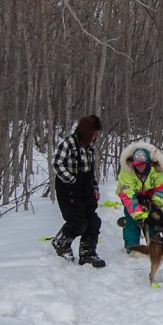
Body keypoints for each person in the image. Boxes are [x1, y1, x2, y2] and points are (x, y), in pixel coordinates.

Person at [51, 115, 106, 268]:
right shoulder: (68, 143)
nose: (96, 137)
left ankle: (88, 252)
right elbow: (57, 163)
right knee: (78, 221)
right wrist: (71, 179)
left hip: (86, 188)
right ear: (87, 131)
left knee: (93, 221)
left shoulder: (89, 148)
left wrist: (94, 187)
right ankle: (61, 242)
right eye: (94, 133)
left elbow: (90, 171)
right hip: (69, 190)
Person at [116, 141, 163, 253]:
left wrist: (155, 204)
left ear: (149, 163)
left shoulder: (159, 171)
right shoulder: (127, 172)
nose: (139, 167)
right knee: (132, 220)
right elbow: (128, 195)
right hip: (131, 195)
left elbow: (161, 189)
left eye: (142, 164)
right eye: (137, 165)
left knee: (153, 218)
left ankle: (155, 245)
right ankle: (132, 247)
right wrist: (138, 214)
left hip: (150, 196)